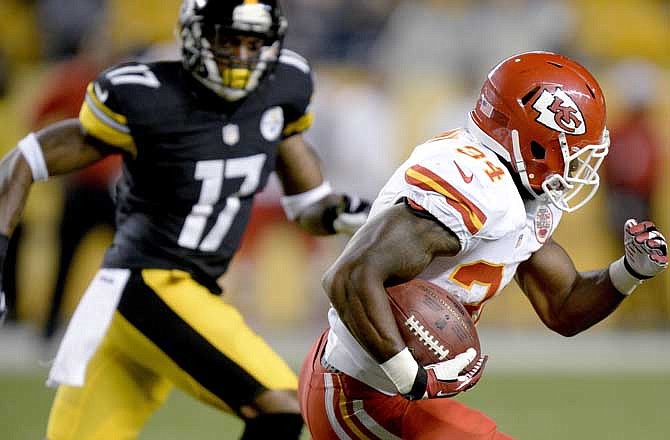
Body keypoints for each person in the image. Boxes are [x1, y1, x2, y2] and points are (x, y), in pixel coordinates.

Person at [0, 1, 369, 439]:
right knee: (281, 406)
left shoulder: (279, 94)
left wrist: (348, 213)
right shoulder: (149, 97)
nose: (242, 56)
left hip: (165, 299)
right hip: (147, 284)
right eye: (228, 40)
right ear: (195, 37)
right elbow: (26, 158)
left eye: (254, 43)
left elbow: (309, 204)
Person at [297, 51, 668, 440]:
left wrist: (630, 271)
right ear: (535, 145)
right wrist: (411, 377)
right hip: (360, 393)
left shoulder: (518, 192)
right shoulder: (475, 184)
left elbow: (563, 307)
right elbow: (348, 276)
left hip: (381, 386)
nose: (577, 168)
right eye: (573, 152)